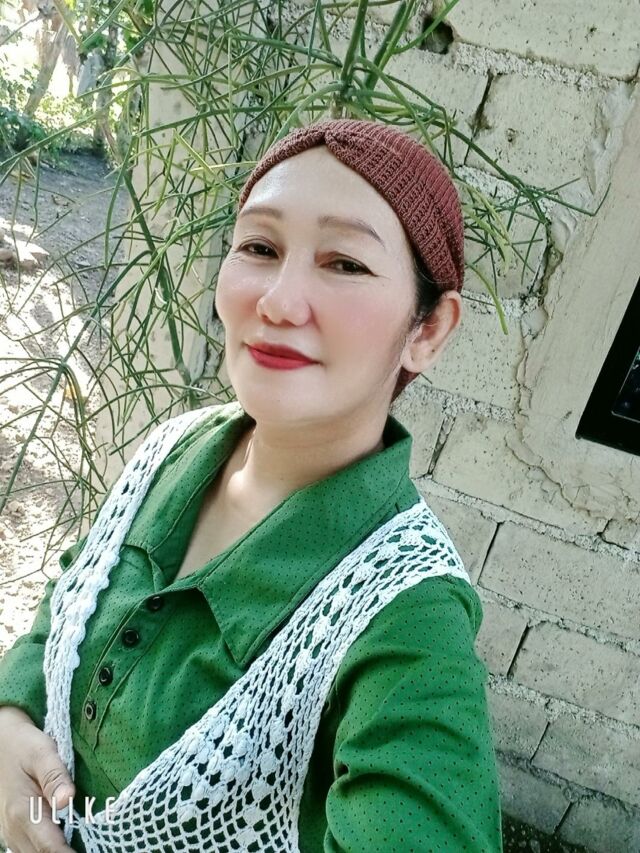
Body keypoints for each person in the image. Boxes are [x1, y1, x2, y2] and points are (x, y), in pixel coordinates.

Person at [0, 118, 503, 852]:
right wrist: (11, 716)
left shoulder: (406, 614)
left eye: (345, 263)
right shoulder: (178, 447)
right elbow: (73, 591)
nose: (278, 302)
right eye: (260, 248)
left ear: (426, 329)